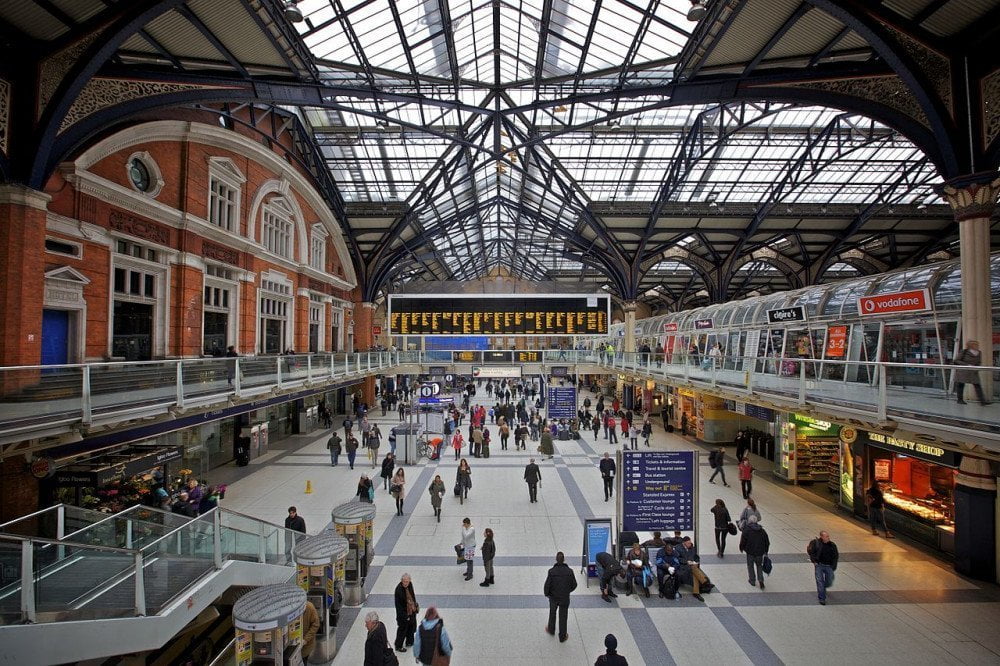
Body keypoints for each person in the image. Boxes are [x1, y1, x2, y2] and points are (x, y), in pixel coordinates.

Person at [543, 551, 577, 642]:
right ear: (564, 559)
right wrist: (568, 591)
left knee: (552, 613)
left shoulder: (551, 571)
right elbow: (574, 584)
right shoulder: (570, 571)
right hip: (564, 598)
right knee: (563, 616)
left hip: (553, 597)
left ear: (556, 559)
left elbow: (547, 585)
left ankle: (551, 629)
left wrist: (547, 593)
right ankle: (562, 636)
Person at [739, 514, 770, 590]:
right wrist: (766, 551)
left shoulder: (746, 530)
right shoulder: (762, 531)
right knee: (759, 566)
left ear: (749, 521)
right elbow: (767, 542)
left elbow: (743, 541)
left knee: (750, 566)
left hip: (750, 552)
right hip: (759, 553)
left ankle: (752, 580)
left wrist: (741, 548)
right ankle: (761, 580)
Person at [807, 530, 839, 605]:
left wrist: (833, 566)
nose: (828, 538)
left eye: (828, 536)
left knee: (829, 581)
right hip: (819, 565)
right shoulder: (816, 543)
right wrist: (814, 562)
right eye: (826, 536)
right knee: (820, 581)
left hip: (829, 566)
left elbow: (835, 556)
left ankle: (823, 587)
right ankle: (822, 598)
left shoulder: (832, 545)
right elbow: (811, 552)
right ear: (822, 537)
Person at [954, 340, 990, 405]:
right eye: (974, 344)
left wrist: (977, 368)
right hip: (963, 371)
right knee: (961, 384)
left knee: (977, 385)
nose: (976, 346)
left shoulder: (979, 352)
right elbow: (957, 360)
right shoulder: (964, 352)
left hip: (973, 371)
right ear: (970, 345)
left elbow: (979, 362)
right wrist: (967, 365)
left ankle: (982, 401)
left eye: (977, 344)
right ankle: (960, 399)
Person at [675, 536, 710, 602]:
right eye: (688, 543)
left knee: (694, 573)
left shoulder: (692, 548)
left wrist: (696, 562)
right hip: (683, 566)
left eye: (690, 542)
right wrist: (687, 562)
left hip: (692, 566)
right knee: (694, 569)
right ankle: (704, 581)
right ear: (684, 543)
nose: (690, 544)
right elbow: (677, 559)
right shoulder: (678, 548)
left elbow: (696, 557)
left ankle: (696, 592)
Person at [393, 573, 418, 653]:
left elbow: (412, 596)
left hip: (411, 610)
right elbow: (399, 606)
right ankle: (398, 645)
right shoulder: (399, 590)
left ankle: (409, 641)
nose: (405, 583)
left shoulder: (410, 585)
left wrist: (414, 606)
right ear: (401, 581)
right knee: (402, 629)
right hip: (403, 614)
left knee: (411, 626)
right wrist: (405, 616)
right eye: (404, 581)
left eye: (407, 581)